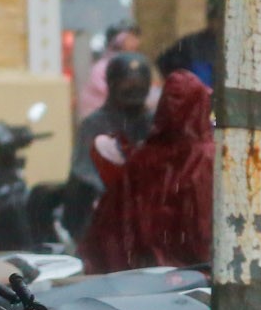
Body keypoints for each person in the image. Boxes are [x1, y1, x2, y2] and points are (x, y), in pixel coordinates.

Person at [79, 70, 215, 274]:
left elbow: (110, 231)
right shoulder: (210, 158)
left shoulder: (142, 158)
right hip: (198, 275)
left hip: (145, 278)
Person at [66, 51, 155, 241]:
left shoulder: (154, 121)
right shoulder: (94, 124)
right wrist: (116, 194)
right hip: (106, 210)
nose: (134, 89)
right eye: (127, 83)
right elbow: (85, 171)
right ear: (113, 83)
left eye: (139, 83)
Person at [77, 20, 142, 120]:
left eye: (135, 38)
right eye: (130, 38)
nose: (136, 42)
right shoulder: (102, 68)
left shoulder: (132, 64)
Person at [157, 0, 220, 90]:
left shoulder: (237, 49)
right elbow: (164, 62)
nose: (216, 23)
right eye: (214, 18)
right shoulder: (190, 44)